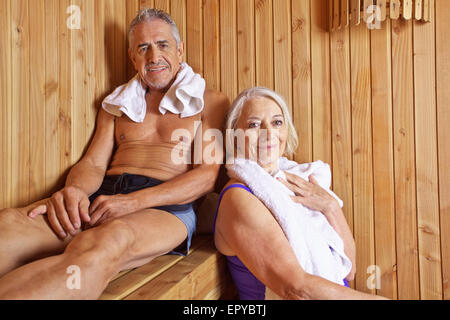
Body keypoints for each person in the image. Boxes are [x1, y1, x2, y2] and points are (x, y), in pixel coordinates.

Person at [0, 8, 229, 299]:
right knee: (10, 224)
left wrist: (131, 203)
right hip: (105, 196)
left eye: (163, 45)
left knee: (106, 242)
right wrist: (75, 191)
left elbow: (207, 177)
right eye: (143, 48)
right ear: (133, 57)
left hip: (164, 207)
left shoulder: (211, 100)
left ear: (180, 50)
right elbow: (94, 163)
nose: (154, 57)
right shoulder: (118, 103)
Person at [213, 87, 385, 300]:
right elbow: (295, 288)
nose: (269, 133)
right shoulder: (239, 198)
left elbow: (348, 269)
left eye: (277, 122)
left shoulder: (294, 181)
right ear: (235, 136)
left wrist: (329, 207)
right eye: (254, 125)